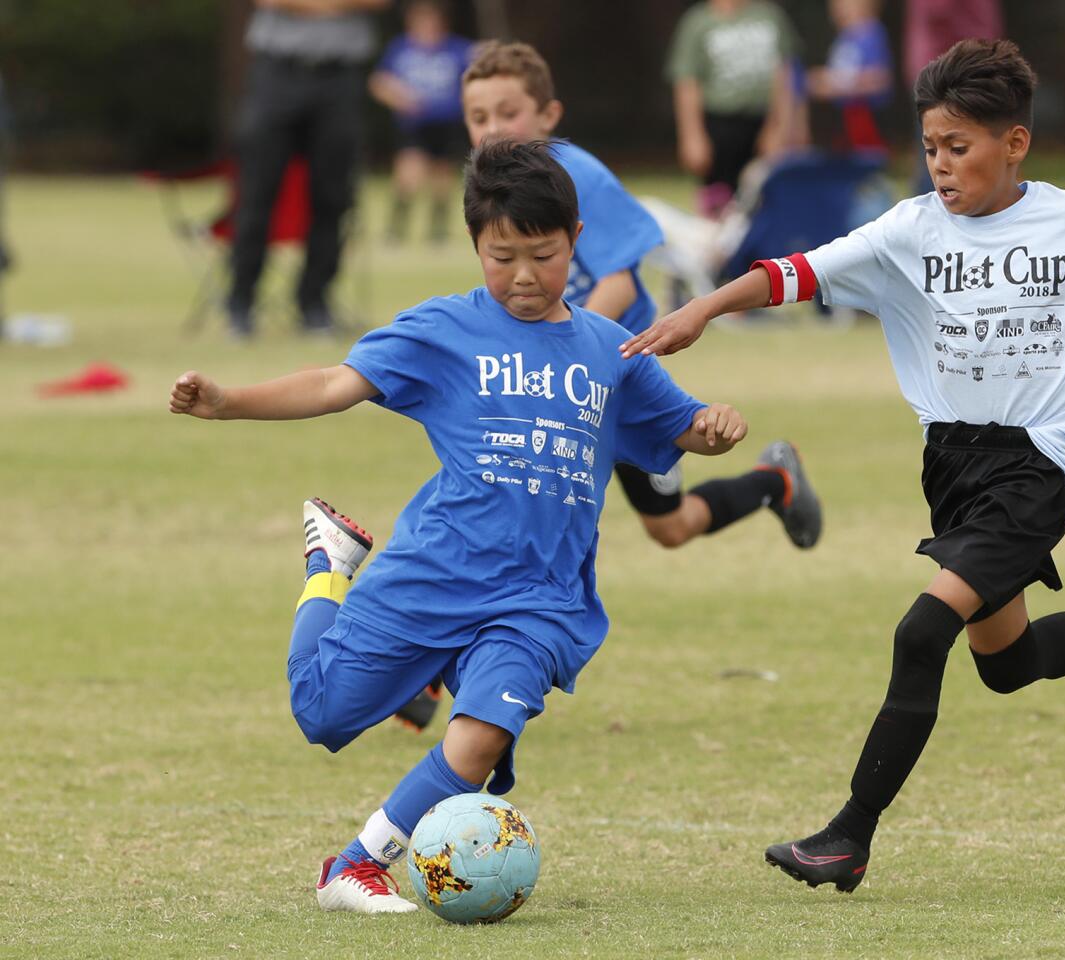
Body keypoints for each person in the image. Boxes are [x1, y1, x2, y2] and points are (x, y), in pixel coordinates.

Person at [622, 39, 1065, 892]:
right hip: (952, 462)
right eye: (930, 149)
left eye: (959, 148)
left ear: (1013, 144)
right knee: (1007, 663)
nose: (941, 166)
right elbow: (795, 272)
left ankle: (848, 835)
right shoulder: (908, 230)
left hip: (1043, 459)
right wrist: (702, 309)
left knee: (922, 632)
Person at [169, 140, 750, 913]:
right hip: (437, 569)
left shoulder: (613, 350)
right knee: (321, 712)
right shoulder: (443, 330)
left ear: (575, 240)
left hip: (539, 599)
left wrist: (712, 428)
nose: (520, 276)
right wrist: (228, 401)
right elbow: (335, 382)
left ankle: (354, 866)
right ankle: (328, 562)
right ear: (476, 243)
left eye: (541, 256)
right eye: (499, 255)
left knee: (479, 735)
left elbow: (681, 427)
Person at [390, 40, 823, 733]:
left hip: (611, 382)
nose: (492, 129)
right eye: (478, 117)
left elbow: (623, 273)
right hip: (547, 383)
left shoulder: (574, 173)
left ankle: (774, 481)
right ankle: (435, 677)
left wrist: (569, 358)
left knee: (667, 529)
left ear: (548, 113)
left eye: (509, 112)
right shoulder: (493, 187)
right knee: (508, 515)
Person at [227, 0, 391, 338]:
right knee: (256, 192)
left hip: (338, 78)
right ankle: (241, 301)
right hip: (278, 73)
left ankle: (314, 304)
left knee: (333, 196)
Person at [666, 0, 801, 216]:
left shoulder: (769, 16)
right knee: (720, 206)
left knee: (765, 203)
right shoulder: (698, 22)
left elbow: (786, 75)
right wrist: (692, 135)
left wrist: (781, 128)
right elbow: (687, 82)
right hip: (719, 126)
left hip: (763, 123)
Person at [368, 0, 477, 244]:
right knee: (408, 174)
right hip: (414, 125)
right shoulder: (400, 49)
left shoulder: (458, 49)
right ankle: (396, 229)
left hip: (446, 123)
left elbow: (480, 70)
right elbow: (378, 82)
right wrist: (399, 97)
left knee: (442, 177)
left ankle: (437, 231)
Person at [904, 0, 1003, 194]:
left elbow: (936, 10)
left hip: (946, 76)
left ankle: (935, 220)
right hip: (968, 68)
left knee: (939, 160)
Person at [807, 0, 893, 154]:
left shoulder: (871, 34)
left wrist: (841, 85)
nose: (838, 10)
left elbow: (880, 79)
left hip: (866, 122)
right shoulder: (842, 39)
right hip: (844, 124)